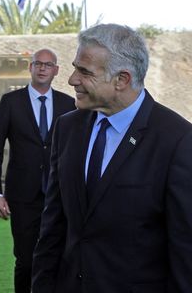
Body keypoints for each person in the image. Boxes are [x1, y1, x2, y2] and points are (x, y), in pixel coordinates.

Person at [32, 24, 192, 292]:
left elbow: (185, 250)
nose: (72, 79)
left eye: (85, 72)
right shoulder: (67, 128)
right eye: (75, 67)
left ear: (122, 79)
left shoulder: (177, 140)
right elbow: (53, 228)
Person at [0, 48, 75, 293]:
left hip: (59, 195)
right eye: (38, 63)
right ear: (31, 67)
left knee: (59, 258)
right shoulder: (11, 102)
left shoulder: (69, 104)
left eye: (48, 65)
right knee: (26, 261)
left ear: (56, 70)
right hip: (23, 196)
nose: (43, 68)